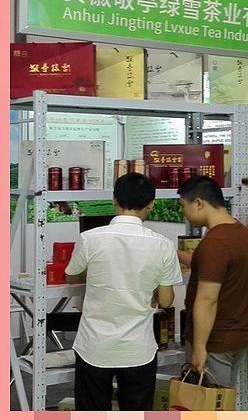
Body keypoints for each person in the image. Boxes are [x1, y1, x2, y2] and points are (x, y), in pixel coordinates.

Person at [65, 173, 183, 410]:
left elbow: (72, 276)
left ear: (114, 200)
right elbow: (166, 300)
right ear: (151, 204)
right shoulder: (163, 245)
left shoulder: (90, 239)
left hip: (94, 347)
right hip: (138, 349)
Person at [177, 176, 248, 388]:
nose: (184, 213)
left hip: (215, 342)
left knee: (210, 401)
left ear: (199, 203)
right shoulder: (241, 233)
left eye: (184, 206)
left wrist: (199, 347)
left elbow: (207, 300)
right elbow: (207, 265)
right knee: (222, 399)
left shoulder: (215, 243)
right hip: (237, 335)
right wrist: (171, 253)